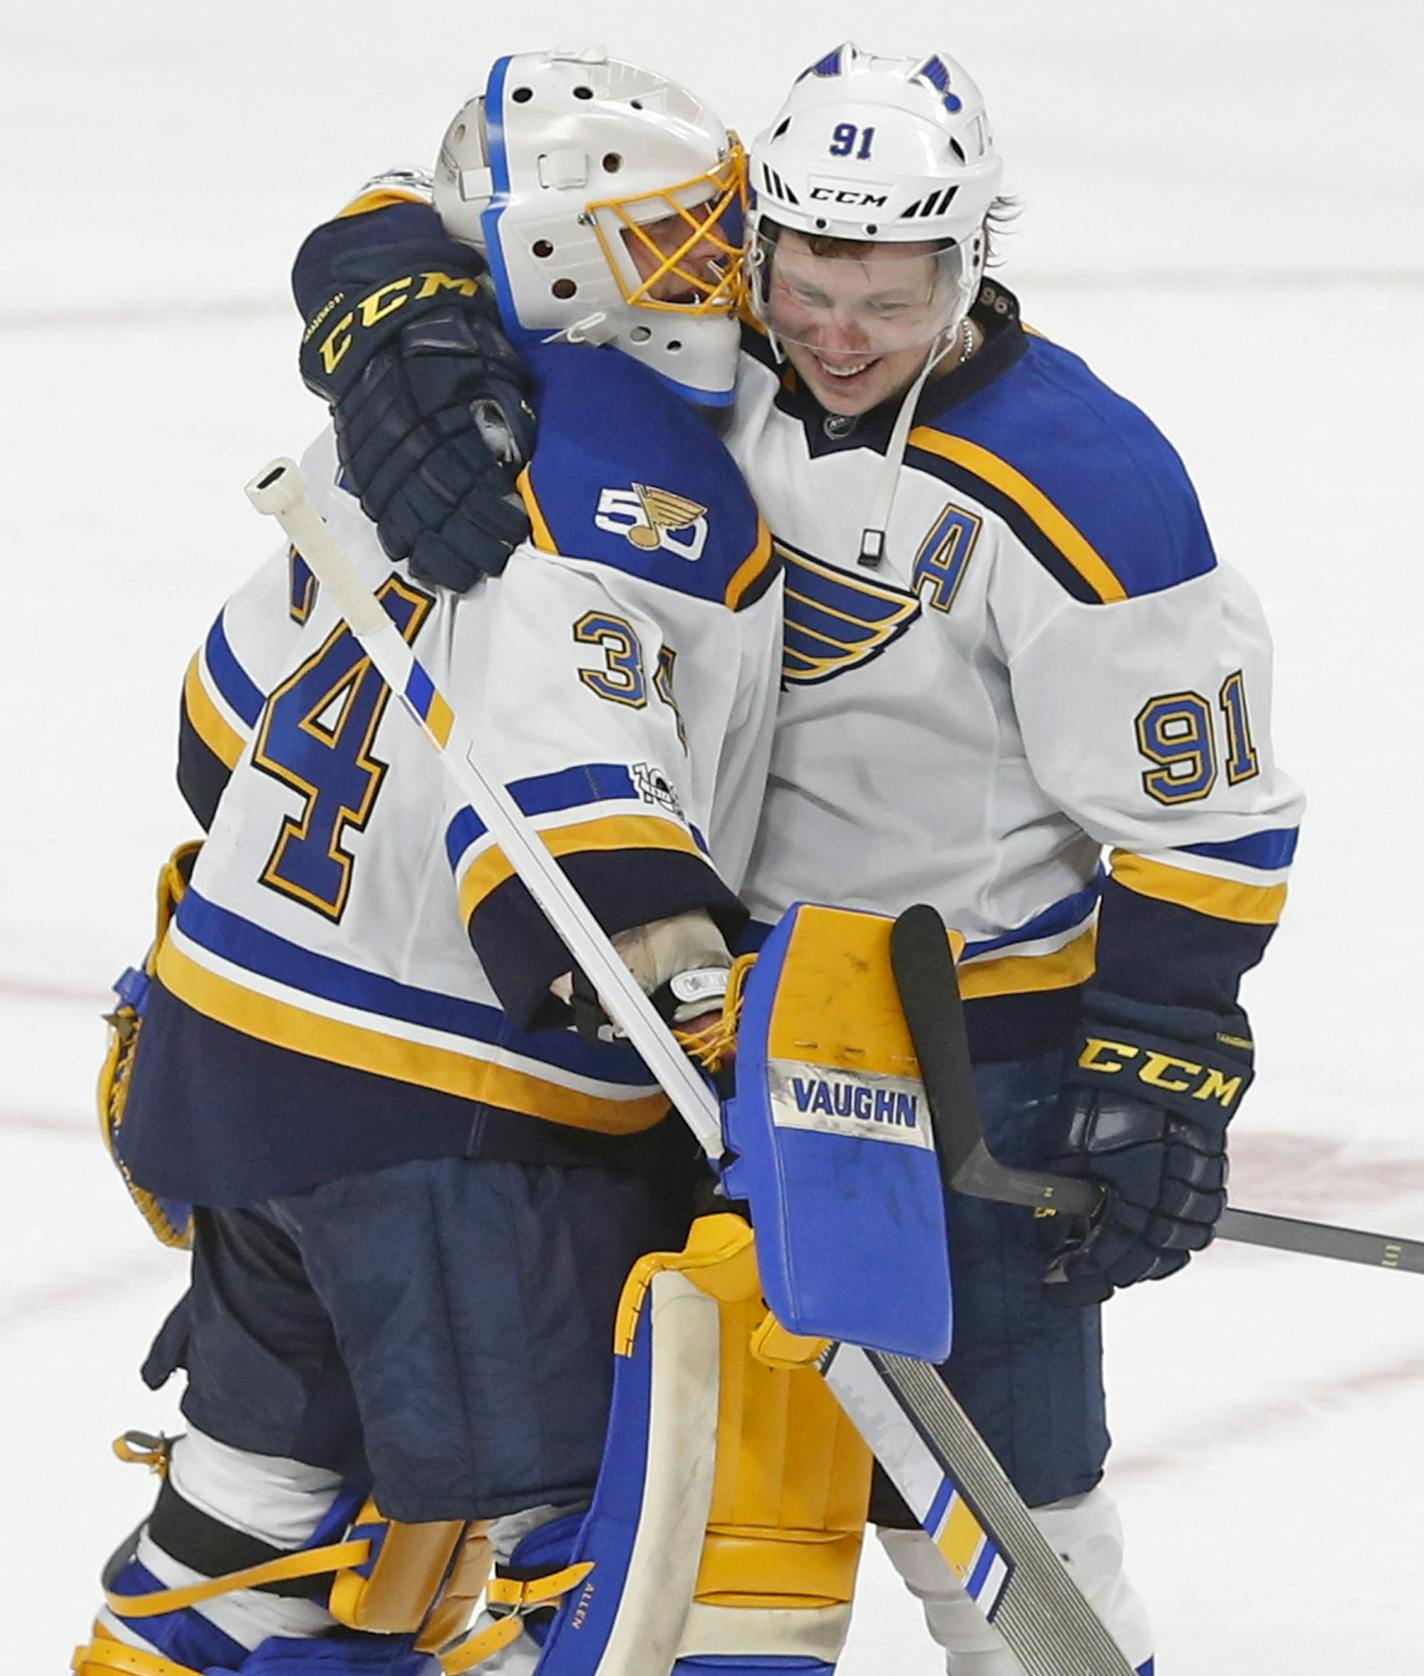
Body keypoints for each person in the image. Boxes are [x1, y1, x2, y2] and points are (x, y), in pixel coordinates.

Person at [291, 42, 1305, 1675]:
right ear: (762, 246)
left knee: (992, 1517)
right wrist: (390, 313)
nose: (838, 337)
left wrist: (1168, 1051)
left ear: (972, 264)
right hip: (699, 1019)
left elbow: (1210, 812)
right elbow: (430, 202)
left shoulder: (1090, 482)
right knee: (676, 1487)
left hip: (970, 1050)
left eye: (891, 304)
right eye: (810, 285)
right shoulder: (702, 343)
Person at [76, 49, 786, 1676]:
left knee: (252, 1510)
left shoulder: (380, 439)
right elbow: (565, 800)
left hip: (238, 1064)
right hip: (454, 1128)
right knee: (563, 1538)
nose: (718, 270)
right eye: (674, 235)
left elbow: (221, 728)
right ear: (555, 254)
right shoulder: (647, 476)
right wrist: (687, 991)